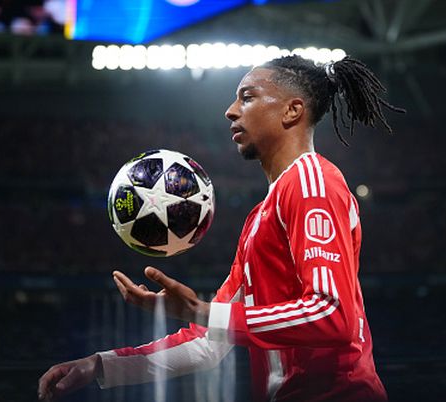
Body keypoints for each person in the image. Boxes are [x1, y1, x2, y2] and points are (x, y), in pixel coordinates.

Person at [38, 54, 404, 402]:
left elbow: (331, 315)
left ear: (292, 110)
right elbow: (207, 343)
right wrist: (99, 365)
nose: (230, 111)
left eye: (247, 97)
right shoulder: (261, 216)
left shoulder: (312, 184)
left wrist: (200, 310)